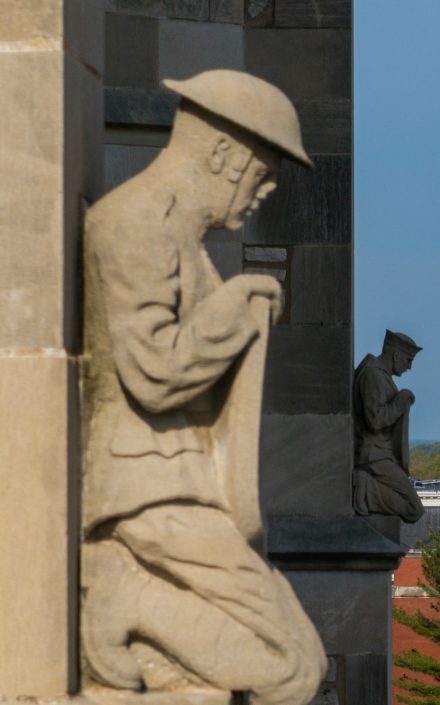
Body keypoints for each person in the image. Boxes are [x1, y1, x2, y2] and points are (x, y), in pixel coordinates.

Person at [82, 70, 326, 705]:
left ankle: (133, 610)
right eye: (263, 171)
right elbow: (154, 374)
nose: (265, 191)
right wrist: (233, 308)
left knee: (300, 664)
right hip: (149, 492)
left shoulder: (178, 237)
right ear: (221, 153)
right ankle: (124, 598)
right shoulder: (133, 221)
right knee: (290, 672)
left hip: (184, 492)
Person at [353, 330, 425, 523]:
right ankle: (365, 488)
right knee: (413, 509)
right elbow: (375, 420)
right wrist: (400, 402)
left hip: (380, 455)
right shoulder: (373, 375)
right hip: (373, 456)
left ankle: (367, 488)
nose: (409, 367)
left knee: (414, 510)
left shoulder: (380, 375)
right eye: (409, 360)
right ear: (396, 355)